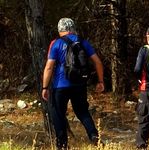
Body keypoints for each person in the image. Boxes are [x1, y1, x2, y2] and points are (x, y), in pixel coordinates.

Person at [42, 18, 104, 149]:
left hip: (60, 86)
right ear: (72, 28)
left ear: (60, 30)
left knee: (58, 114)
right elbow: (97, 62)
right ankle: (94, 136)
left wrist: (45, 87)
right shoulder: (82, 42)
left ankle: (62, 144)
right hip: (79, 84)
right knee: (82, 112)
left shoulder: (57, 44)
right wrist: (100, 81)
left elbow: (49, 67)